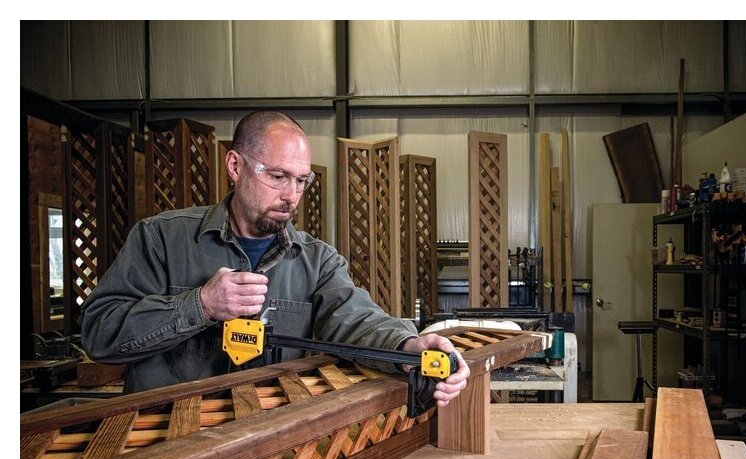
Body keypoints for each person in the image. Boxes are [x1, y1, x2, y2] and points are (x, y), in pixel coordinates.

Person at [81, 111, 469, 405]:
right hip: (166, 444)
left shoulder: (317, 262)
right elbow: (99, 335)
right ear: (236, 166)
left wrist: (409, 348)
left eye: (301, 180)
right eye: (278, 177)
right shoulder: (161, 239)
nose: (291, 195)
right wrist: (201, 305)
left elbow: (359, 321)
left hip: (270, 450)